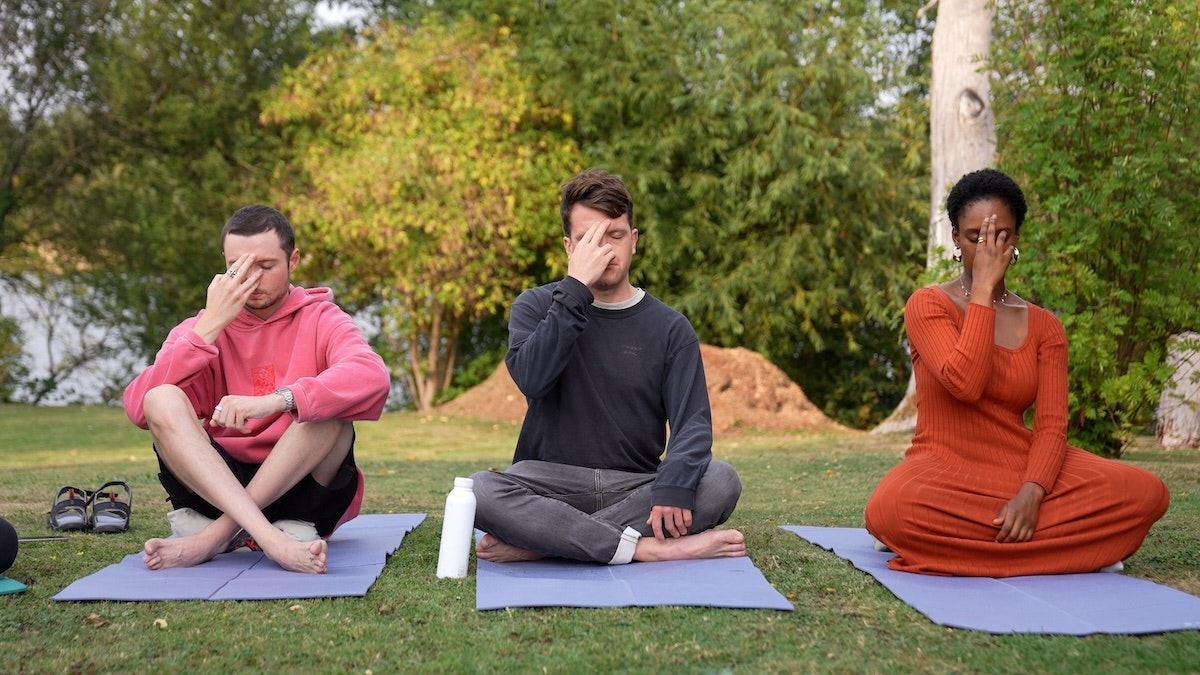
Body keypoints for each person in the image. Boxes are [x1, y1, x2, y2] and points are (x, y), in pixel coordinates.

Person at [863, 168, 1169, 577]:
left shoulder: (1045, 326)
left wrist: (1031, 493)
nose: (988, 249)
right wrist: (984, 291)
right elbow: (965, 384)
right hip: (945, 466)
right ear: (955, 239)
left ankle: (980, 541)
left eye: (1000, 236)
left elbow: (1051, 426)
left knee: (1146, 492)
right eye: (975, 237)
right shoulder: (928, 305)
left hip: (1021, 467)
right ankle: (1072, 548)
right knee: (893, 508)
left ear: (1016, 239)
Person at [471, 168, 746, 565]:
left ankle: (546, 542)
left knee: (720, 481)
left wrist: (672, 486)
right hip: (550, 484)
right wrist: (575, 290)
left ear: (633, 241)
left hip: (636, 486)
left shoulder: (671, 328)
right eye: (589, 239)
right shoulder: (535, 306)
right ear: (569, 247)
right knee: (478, 491)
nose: (604, 249)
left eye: (614, 235)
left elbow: (693, 425)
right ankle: (644, 547)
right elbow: (533, 379)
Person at [123, 205, 390, 574]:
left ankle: (216, 537)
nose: (251, 280)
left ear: (293, 260)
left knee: (329, 410)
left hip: (302, 491)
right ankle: (269, 538)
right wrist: (209, 327)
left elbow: (372, 376)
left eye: (265, 266)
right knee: (160, 397)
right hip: (217, 489)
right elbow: (140, 407)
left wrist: (278, 401)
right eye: (237, 268)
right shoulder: (201, 330)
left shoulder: (323, 318)